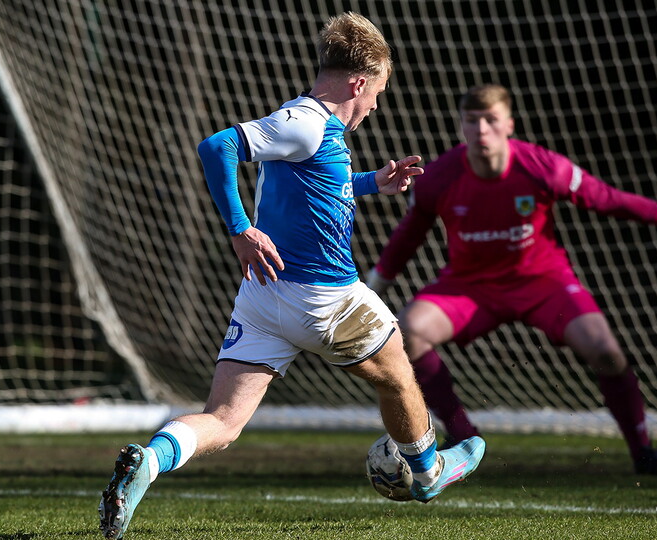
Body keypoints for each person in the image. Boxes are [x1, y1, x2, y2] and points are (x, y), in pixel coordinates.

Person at [98, 13, 485, 540]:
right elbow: (216, 147)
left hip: (263, 299)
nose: (376, 106)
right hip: (323, 297)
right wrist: (240, 229)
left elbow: (317, 180)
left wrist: (372, 182)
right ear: (359, 83)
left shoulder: (307, 126)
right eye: (378, 93)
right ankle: (427, 473)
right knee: (398, 372)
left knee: (224, 421)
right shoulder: (306, 121)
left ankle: (148, 461)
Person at [367, 84, 657, 477]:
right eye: (472, 121)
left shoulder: (543, 167)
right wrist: (375, 284)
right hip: (469, 287)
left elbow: (604, 197)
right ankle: (465, 438)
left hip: (543, 282)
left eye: (491, 120)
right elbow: (409, 234)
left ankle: (644, 453)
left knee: (606, 351)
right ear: (461, 127)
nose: (481, 130)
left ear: (509, 125)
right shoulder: (438, 176)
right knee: (409, 332)